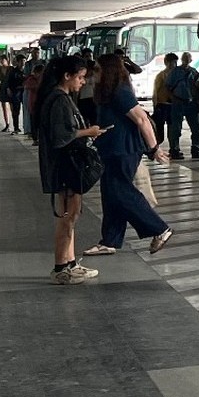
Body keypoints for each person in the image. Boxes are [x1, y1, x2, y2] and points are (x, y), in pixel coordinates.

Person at [81, 54, 173, 257]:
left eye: (97, 69)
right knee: (110, 193)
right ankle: (110, 240)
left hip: (124, 149)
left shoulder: (119, 91)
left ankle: (159, 228)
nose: (93, 74)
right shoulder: (108, 91)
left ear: (108, 71)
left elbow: (142, 120)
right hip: (111, 148)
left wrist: (154, 149)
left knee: (120, 191)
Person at [35, 55, 106, 285]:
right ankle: (60, 268)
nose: (83, 82)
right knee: (68, 217)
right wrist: (90, 132)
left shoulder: (59, 98)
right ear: (67, 76)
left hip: (66, 164)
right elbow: (61, 137)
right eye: (80, 77)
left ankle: (71, 262)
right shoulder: (58, 100)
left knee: (72, 215)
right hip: (66, 166)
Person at [165, 52, 199, 160]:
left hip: (191, 103)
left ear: (191, 60)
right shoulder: (175, 72)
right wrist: (172, 97)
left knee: (195, 128)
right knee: (176, 128)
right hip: (178, 102)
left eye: (188, 58)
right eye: (184, 58)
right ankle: (174, 149)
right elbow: (167, 86)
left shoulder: (194, 72)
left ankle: (196, 149)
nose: (186, 60)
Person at [152, 53, 178, 151]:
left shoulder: (177, 74)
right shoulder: (161, 76)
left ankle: (174, 149)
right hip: (162, 105)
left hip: (173, 105)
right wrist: (155, 106)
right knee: (159, 129)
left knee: (173, 129)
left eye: (175, 62)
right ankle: (155, 148)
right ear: (166, 62)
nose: (174, 64)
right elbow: (155, 92)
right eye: (171, 62)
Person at [23, 63, 45, 140]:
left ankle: (40, 137)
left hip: (42, 103)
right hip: (33, 103)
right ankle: (35, 138)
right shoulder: (31, 79)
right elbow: (28, 86)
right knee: (34, 122)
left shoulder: (44, 80)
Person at [77, 48, 98, 125]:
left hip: (94, 98)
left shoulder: (96, 68)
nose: (89, 58)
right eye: (86, 56)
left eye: (90, 56)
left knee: (94, 121)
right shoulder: (80, 69)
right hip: (83, 98)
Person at [0, 56, 13, 132]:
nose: (1, 62)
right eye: (0, 60)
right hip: (3, 89)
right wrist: (0, 85)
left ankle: (14, 124)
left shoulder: (11, 69)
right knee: (4, 107)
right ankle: (7, 124)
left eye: (2, 60)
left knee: (12, 107)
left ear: (6, 60)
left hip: (10, 89)